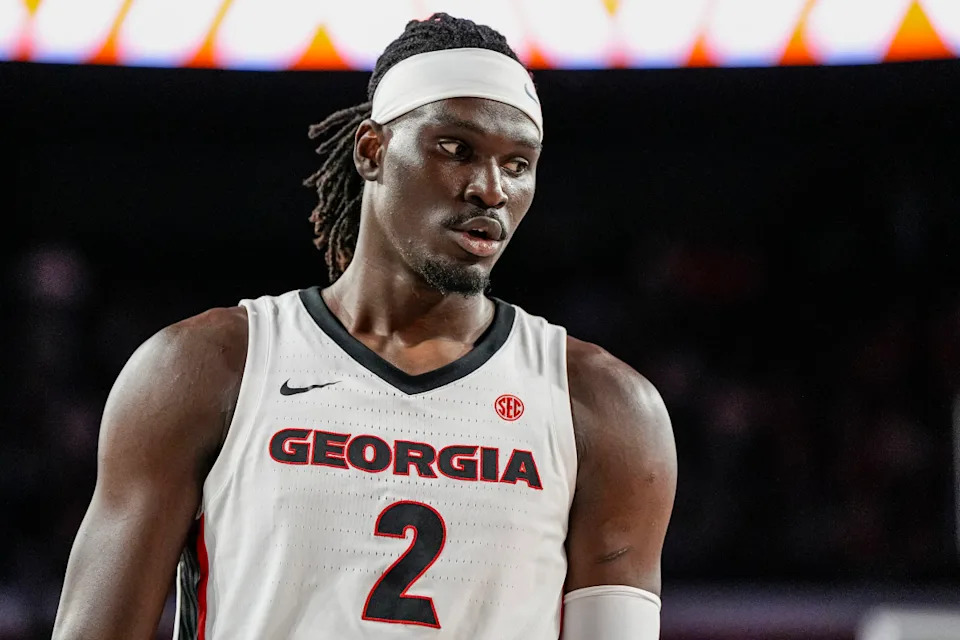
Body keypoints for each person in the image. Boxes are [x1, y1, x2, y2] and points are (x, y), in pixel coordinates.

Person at [52, 13, 676, 640]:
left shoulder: (606, 409)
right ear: (372, 151)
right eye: (456, 149)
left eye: (518, 163)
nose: (491, 189)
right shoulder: (205, 368)